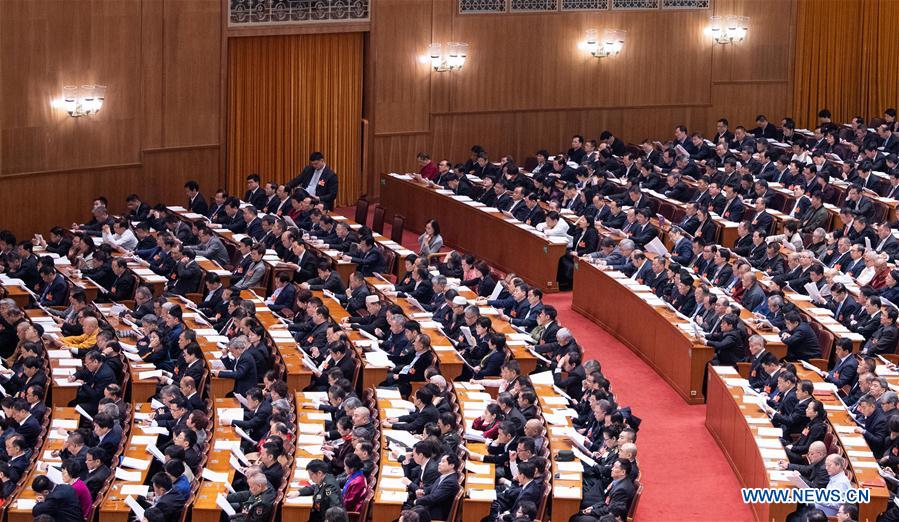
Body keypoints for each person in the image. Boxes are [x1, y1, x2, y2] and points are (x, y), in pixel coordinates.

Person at [413, 453, 461, 520]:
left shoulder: (450, 482)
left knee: (408, 512)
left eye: (443, 461)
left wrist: (417, 501)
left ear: (452, 465)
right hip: (431, 507)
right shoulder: (445, 475)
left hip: (436, 514)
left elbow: (434, 498)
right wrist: (423, 491)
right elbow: (432, 487)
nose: (439, 463)